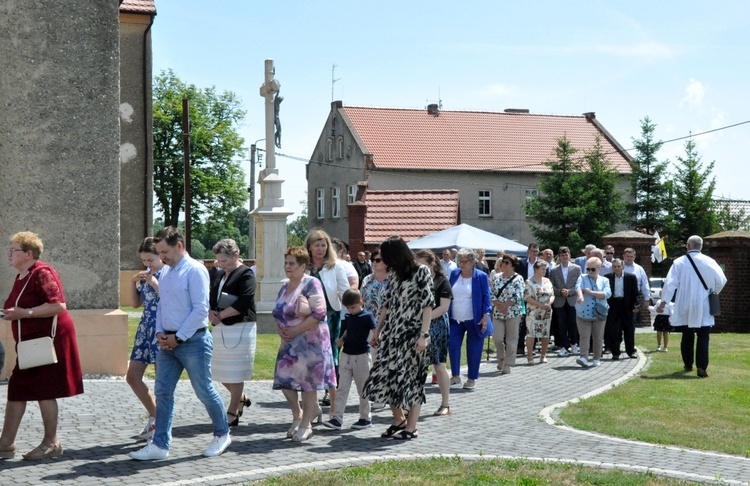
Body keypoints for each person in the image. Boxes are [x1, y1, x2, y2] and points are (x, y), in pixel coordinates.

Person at [129, 227, 230, 460]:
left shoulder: (195, 270)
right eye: (159, 252)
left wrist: (178, 337)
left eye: (164, 251)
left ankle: (222, 433)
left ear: (179, 246)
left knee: (203, 389)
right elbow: (162, 307)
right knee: (163, 392)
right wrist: (160, 334)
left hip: (193, 340)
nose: (161, 256)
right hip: (167, 342)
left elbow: (200, 310)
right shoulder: (166, 273)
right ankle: (160, 445)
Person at [0, 231, 83, 460]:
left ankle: (51, 443)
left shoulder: (42, 273)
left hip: (48, 342)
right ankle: (5, 444)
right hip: (29, 344)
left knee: (45, 389)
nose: (9, 254)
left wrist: (24, 313)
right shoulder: (22, 276)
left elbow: (59, 305)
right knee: (18, 389)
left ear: (28, 254)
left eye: (13, 250)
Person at [363, 236, 433, 440]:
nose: (383, 261)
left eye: (385, 257)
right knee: (383, 377)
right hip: (392, 334)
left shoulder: (421, 271)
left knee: (411, 380)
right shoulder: (393, 274)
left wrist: (424, 335)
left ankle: (412, 427)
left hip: (412, 334)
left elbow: (428, 304)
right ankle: (398, 419)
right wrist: (377, 330)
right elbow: (386, 303)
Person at [273, 247, 335, 442]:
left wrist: (295, 330)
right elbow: (278, 311)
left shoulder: (311, 283)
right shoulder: (284, 286)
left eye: (292, 263)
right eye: (286, 263)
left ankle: (306, 424)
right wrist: (280, 330)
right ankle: (298, 414)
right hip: (289, 343)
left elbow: (319, 313)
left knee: (308, 383)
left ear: (302, 266)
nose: (287, 267)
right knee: (284, 379)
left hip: (311, 343)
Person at [657, 235, 727, 378]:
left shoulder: (679, 262)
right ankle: (701, 367)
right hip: (704, 303)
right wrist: (712, 292)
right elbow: (721, 280)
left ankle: (688, 364)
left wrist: (664, 301)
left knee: (687, 335)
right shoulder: (710, 261)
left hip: (685, 303)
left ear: (688, 246)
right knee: (703, 336)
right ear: (700, 246)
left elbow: (670, 284)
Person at [207, 239, 256, 427]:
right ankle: (241, 397)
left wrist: (221, 315)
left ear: (235, 256)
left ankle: (233, 410)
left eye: (224, 261)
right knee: (218, 371)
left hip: (240, 328)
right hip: (220, 327)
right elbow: (212, 297)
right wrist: (212, 313)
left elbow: (244, 301)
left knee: (235, 372)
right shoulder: (219, 274)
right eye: (219, 261)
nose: (220, 264)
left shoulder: (246, 274)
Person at [305, 230, 350, 414]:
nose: (321, 249)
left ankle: (334, 406)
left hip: (331, 317)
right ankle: (312, 406)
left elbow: (345, 291)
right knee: (309, 360)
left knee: (330, 358)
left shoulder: (335, 266)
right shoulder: (304, 266)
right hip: (307, 318)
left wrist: (352, 314)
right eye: (317, 245)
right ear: (309, 247)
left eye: (324, 245)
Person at [128, 237, 165, 441]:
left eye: (150, 259)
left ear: (160, 255)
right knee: (132, 377)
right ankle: (155, 416)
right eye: (144, 260)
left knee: (161, 381)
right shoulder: (145, 275)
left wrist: (154, 282)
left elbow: (170, 299)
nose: (147, 264)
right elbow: (135, 304)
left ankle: (160, 425)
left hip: (161, 327)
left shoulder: (167, 274)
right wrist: (133, 282)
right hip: (145, 328)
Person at [322, 289, 376, 430]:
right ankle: (336, 419)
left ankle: (365, 418)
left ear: (361, 303)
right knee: (342, 388)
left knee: (363, 388)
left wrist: (376, 338)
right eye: (348, 308)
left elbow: (375, 330)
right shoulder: (348, 317)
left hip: (362, 356)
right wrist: (340, 340)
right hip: (346, 355)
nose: (351, 310)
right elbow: (346, 331)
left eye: (353, 307)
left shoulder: (367, 317)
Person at [448, 248, 492, 391]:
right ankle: (455, 377)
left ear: (473, 262)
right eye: (459, 261)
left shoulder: (481, 276)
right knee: (453, 346)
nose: (461, 264)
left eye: (464, 261)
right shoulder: (454, 273)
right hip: (455, 319)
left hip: (474, 319)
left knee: (474, 349)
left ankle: (472, 378)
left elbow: (487, 297)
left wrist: (486, 316)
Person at [416, 250, 453, 415]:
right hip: (418, 324)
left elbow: (444, 307)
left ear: (431, 264)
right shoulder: (416, 280)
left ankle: (445, 404)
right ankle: (413, 404)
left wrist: (426, 318)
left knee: (439, 365)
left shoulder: (441, 281)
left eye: (421, 263)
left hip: (437, 325)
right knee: (416, 366)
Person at [490, 254, 525, 374]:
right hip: (498, 312)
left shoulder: (518, 278)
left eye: (506, 263)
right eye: (502, 262)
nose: (503, 264)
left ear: (513, 266)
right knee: (497, 337)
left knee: (511, 339)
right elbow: (492, 293)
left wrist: (505, 306)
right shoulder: (496, 277)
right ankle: (501, 357)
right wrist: (499, 306)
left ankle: (508, 363)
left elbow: (519, 296)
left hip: (513, 312)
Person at [574, 257, 612, 368]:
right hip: (583, 313)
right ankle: (583, 358)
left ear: (599, 269)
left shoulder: (605, 280)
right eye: (588, 269)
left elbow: (607, 294)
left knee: (598, 337)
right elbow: (578, 287)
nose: (590, 271)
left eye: (593, 269)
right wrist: (580, 296)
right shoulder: (582, 277)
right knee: (584, 336)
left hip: (599, 314)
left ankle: (596, 358)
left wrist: (590, 292)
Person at [604, 258, 638, 360]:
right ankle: (615, 352)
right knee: (614, 330)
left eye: (618, 266)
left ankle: (631, 351)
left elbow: (635, 293)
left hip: (626, 305)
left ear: (622, 267)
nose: (616, 268)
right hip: (613, 305)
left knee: (629, 329)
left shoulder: (631, 277)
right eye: (614, 266)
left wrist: (635, 305)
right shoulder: (607, 278)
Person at [550, 247, 581, 357]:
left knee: (573, 323)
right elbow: (551, 285)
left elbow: (579, 283)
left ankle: (574, 344)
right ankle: (563, 346)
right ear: (559, 256)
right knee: (561, 324)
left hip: (572, 300)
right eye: (562, 255)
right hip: (559, 301)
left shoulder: (576, 268)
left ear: (569, 255)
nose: (564, 257)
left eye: (566, 255)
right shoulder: (554, 270)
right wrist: (559, 291)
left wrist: (570, 291)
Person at [523, 260, 554, 365]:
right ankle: (530, 356)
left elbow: (552, 294)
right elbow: (526, 297)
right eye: (542, 269)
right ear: (536, 269)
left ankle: (543, 355)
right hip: (533, 311)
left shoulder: (547, 281)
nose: (544, 271)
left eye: (545, 269)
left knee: (545, 333)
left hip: (546, 311)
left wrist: (549, 303)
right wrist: (539, 304)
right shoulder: (529, 281)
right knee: (531, 332)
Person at [622, 248, 651, 326]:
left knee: (631, 323)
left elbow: (645, 284)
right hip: (619, 297)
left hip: (633, 298)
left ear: (634, 257)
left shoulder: (639, 269)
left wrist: (646, 299)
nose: (629, 258)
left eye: (631, 256)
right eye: (627, 256)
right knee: (618, 323)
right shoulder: (618, 267)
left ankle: (630, 338)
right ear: (623, 256)